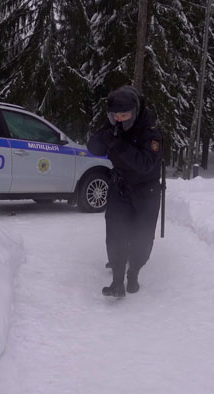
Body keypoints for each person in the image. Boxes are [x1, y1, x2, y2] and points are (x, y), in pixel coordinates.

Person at [87, 85, 164, 297]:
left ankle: (134, 274)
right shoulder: (114, 127)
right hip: (120, 188)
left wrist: (118, 145)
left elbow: (145, 164)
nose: (120, 119)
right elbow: (93, 147)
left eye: (124, 114)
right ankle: (117, 282)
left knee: (142, 236)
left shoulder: (151, 133)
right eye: (115, 115)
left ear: (135, 111)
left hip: (145, 192)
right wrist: (106, 134)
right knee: (115, 233)